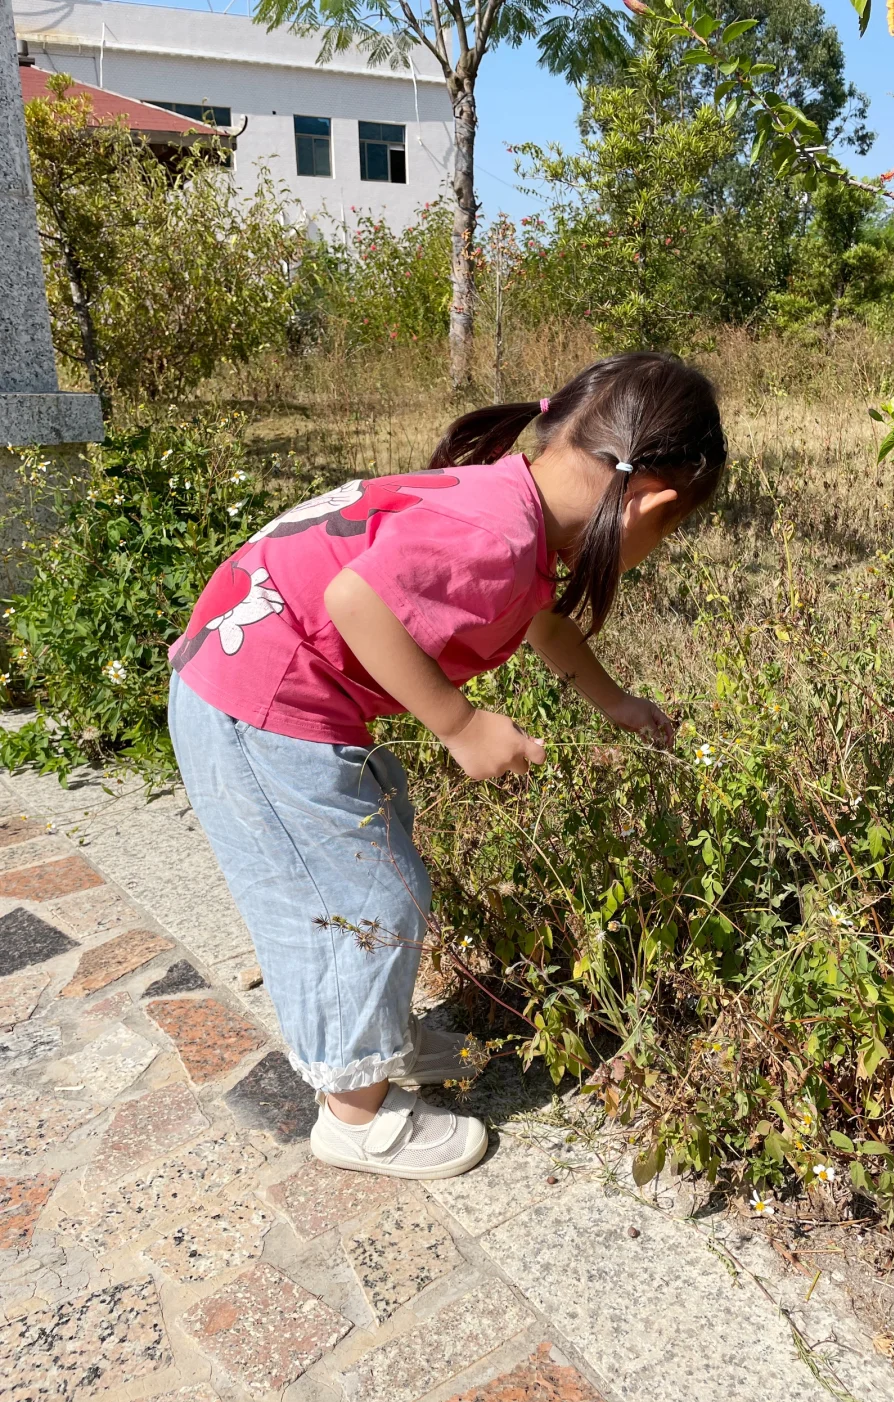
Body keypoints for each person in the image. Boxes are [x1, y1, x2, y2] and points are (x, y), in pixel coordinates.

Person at [168, 351, 727, 1181]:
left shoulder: (514, 503)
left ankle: (378, 1029)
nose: (657, 546)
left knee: (378, 851)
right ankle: (353, 1113)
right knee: (358, 897)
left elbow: (545, 625)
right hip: (254, 703)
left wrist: (614, 702)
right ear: (652, 499)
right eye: (670, 531)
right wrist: (460, 724)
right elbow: (356, 602)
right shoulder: (496, 538)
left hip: (260, 680)